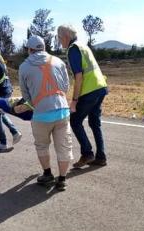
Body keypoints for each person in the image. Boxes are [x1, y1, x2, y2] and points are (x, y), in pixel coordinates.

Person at [17, 35, 73, 191]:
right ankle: (62, 180)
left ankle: (47, 174)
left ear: (29, 49)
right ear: (44, 47)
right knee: (64, 147)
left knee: (42, 145)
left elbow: (25, 94)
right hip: (62, 111)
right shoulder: (59, 61)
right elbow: (66, 87)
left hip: (40, 114)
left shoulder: (24, 67)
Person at [57, 24, 108, 168]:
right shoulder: (83, 46)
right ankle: (101, 157)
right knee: (94, 123)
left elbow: (78, 77)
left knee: (75, 121)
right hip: (101, 87)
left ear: (66, 37)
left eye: (59, 38)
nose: (59, 41)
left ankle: (87, 153)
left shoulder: (73, 50)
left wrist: (74, 101)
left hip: (90, 90)